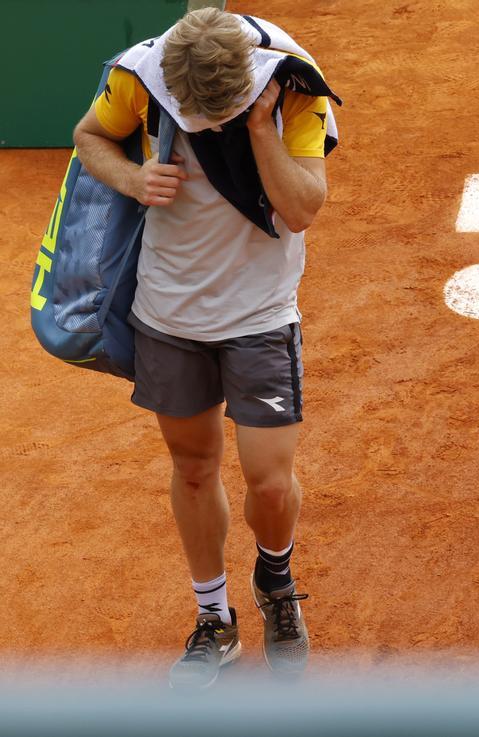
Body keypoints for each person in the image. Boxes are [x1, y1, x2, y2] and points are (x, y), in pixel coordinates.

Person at [72, 8, 331, 688]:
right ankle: (213, 618)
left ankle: (275, 578)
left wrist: (258, 128)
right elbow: (91, 137)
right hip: (168, 312)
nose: (206, 125)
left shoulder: (294, 85)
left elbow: (303, 207)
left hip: (261, 315)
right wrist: (131, 179)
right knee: (193, 468)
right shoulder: (141, 75)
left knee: (270, 483)